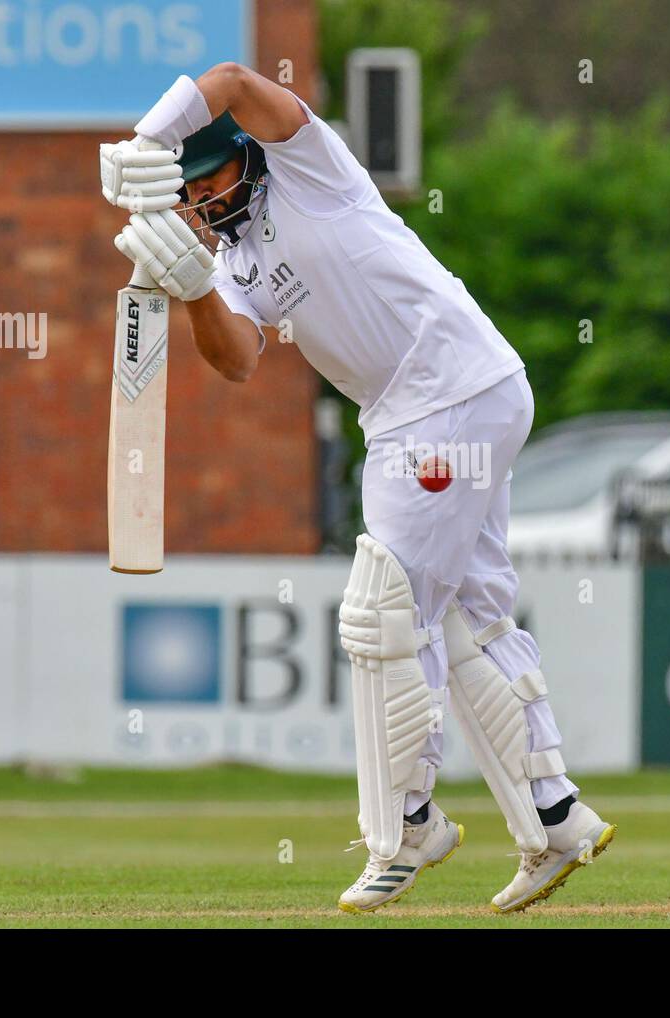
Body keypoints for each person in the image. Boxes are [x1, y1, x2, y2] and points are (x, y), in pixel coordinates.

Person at [99, 64, 615, 913]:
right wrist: (191, 287)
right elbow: (236, 360)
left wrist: (151, 135)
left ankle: (406, 829)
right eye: (188, 190)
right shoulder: (233, 259)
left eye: (210, 175)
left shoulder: (311, 164)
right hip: (417, 416)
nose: (204, 198)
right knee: (466, 620)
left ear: (246, 157)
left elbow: (230, 78)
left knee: (383, 612)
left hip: (449, 391)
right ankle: (555, 817)